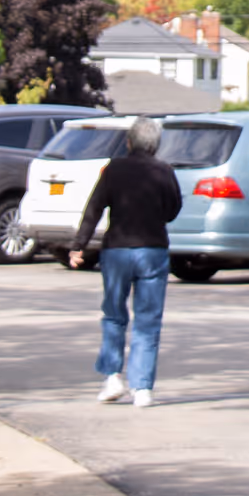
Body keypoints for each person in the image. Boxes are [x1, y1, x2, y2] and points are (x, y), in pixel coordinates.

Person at [68, 116, 183, 406]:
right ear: (156, 145)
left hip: (117, 250)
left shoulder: (113, 169)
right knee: (148, 320)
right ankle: (142, 387)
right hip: (152, 250)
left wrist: (78, 245)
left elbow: (94, 208)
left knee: (114, 315)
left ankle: (112, 378)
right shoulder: (164, 171)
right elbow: (172, 210)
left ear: (129, 142)